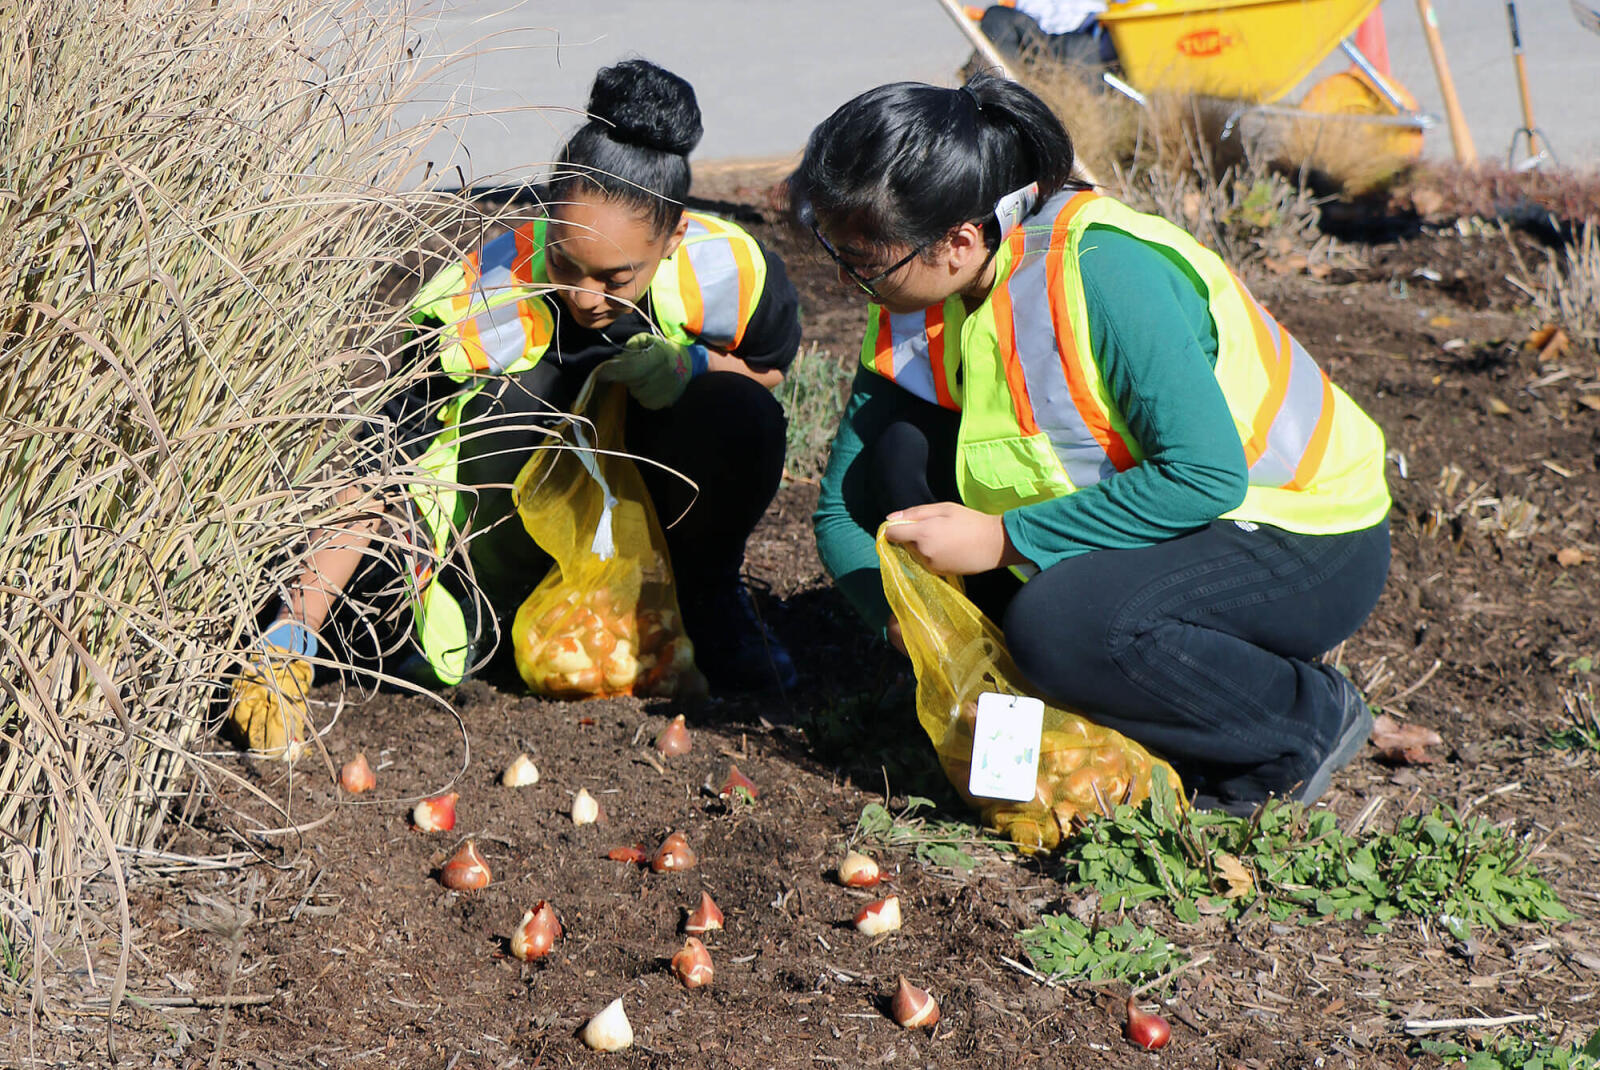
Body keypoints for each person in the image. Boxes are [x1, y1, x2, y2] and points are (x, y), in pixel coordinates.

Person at [791, 75, 1392, 813]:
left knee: (1066, 627)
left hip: (1301, 531)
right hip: (1154, 514)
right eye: (835, 249)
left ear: (957, 241)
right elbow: (841, 509)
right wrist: (922, 634)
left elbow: (1204, 476)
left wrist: (1005, 539)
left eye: (862, 260)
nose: (849, 279)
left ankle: (1300, 720)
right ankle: (1047, 690)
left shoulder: (1102, 272)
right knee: (898, 455)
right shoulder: (915, 294)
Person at [228, 59, 800, 758]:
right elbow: (379, 467)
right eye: (565, 263)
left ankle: (703, 600)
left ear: (674, 237)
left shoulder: (727, 269)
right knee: (376, 623)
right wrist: (294, 628)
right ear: (548, 216)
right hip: (495, 539)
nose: (587, 298)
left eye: (617, 277)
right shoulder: (482, 298)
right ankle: (491, 616)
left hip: (646, 532)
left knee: (739, 412)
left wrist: (692, 367)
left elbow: (768, 369)